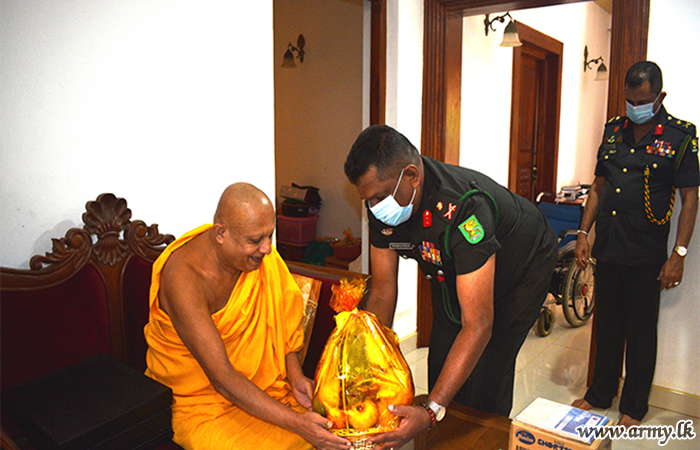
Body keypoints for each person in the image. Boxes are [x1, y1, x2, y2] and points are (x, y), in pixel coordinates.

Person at [343, 125, 558, 448]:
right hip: (454, 272)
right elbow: (384, 291)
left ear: (412, 176)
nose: (374, 208)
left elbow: (479, 324)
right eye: (368, 200)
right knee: (442, 362)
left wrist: (429, 412)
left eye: (378, 198)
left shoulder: (464, 207)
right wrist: (367, 365)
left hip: (522, 268)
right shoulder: (383, 202)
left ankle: (487, 441)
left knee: (488, 373)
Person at [144, 183, 353, 450]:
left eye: (270, 235)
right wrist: (296, 422)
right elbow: (222, 379)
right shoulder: (184, 280)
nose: (267, 248)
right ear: (220, 233)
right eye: (255, 240)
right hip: (199, 401)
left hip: (262, 388)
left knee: (330, 432)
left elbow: (280, 322)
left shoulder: (256, 256)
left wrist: (295, 376)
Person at [572, 61, 699, 427]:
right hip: (609, 247)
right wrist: (583, 233)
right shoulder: (613, 130)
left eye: (641, 100)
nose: (634, 107)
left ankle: (634, 406)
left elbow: (690, 197)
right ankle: (600, 393)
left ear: (659, 96)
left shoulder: (680, 135)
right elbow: (598, 186)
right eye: (629, 100)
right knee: (607, 326)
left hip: (646, 253)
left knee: (641, 333)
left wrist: (680, 254)